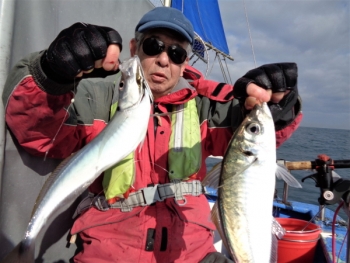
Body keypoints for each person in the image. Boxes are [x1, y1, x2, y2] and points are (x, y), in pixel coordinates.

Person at [2, 6, 302, 263]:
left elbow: (257, 135)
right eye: (153, 46)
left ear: (185, 62)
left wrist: (280, 107)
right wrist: (51, 74)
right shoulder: (95, 97)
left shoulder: (205, 106)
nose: (163, 59)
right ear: (134, 48)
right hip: (109, 252)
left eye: (175, 52)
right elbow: (38, 132)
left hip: (192, 252)